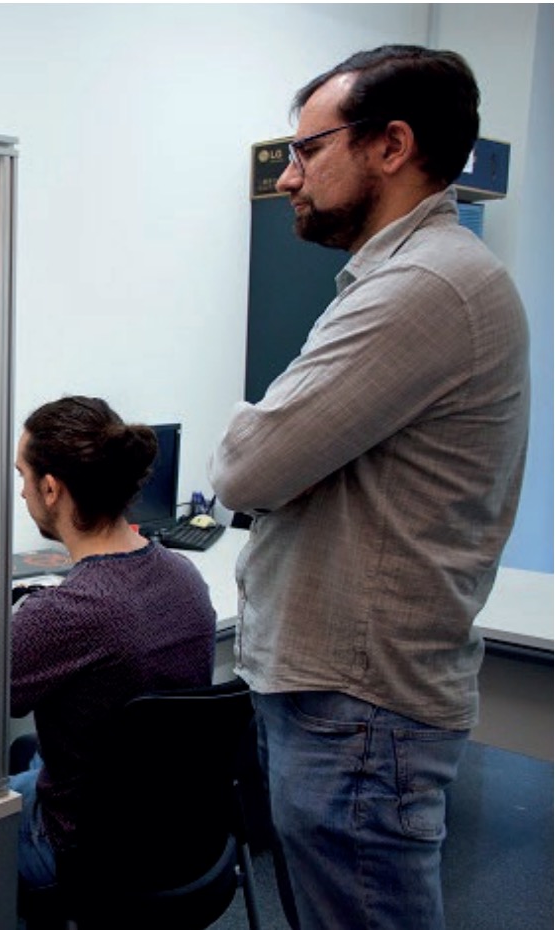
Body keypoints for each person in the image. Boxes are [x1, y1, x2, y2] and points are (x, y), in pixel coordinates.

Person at [209, 46, 530, 930]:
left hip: (359, 709)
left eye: (307, 151)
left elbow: (243, 468)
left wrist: (253, 422)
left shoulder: (425, 285)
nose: (288, 178)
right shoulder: (413, 277)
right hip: (354, 701)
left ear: (391, 146)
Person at [0, 395, 217, 890]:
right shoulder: (185, 575)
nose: (21, 492)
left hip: (81, 846)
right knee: (26, 752)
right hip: (182, 832)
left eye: (22, 477)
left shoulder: (63, 614)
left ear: (51, 489)